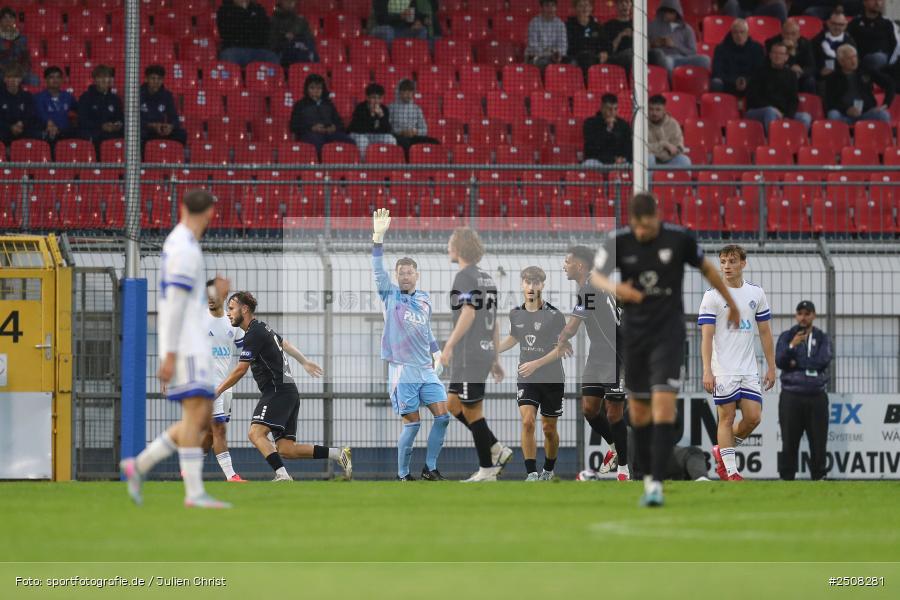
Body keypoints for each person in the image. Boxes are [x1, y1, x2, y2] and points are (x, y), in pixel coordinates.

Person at [592, 192, 741, 507]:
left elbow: (707, 269)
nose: (642, 233)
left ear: (656, 218)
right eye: (637, 228)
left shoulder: (679, 238)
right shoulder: (618, 240)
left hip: (668, 336)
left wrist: (730, 301)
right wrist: (617, 289)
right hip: (634, 338)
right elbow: (596, 276)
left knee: (662, 406)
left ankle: (656, 484)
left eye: (646, 227)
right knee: (641, 412)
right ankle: (647, 477)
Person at [120, 189, 231, 509]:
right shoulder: (184, 248)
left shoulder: (181, 243)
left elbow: (188, 298)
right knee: (198, 416)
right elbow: (175, 304)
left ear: (182, 207)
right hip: (186, 344)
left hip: (188, 341)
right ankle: (193, 493)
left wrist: (212, 290)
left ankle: (138, 466)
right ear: (210, 213)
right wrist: (169, 354)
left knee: (198, 415)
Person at [215, 291, 352, 481]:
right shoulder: (262, 328)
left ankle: (282, 475)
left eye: (231, 308)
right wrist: (304, 361)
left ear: (244, 309)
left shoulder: (254, 333)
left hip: (277, 391)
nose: (228, 313)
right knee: (287, 449)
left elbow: (241, 369)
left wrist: (218, 390)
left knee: (255, 433)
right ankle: (338, 454)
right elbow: (284, 343)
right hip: (288, 392)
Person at [371, 208, 450, 482]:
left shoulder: (425, 298)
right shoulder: (389, 294)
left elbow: (425, 329)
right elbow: (378, 271)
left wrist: (437, 351)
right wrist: (378, 239)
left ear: (416, 275)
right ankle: (403, 475)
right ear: (397, 276)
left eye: (409, 272)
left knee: (443, 417)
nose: (405, 276)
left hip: (426, 369)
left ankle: (430, 468)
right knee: (413, 424)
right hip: (403, 371)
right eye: (401, 272)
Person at [439, 227, 513, 482]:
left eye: (450, 244)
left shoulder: (464, 277)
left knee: (473, 412)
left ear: (459, 248)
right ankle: (496, 449)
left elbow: (469, 313)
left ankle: (487, 469)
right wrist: (495, 358)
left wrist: (447, 346)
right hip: (478, 354)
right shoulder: (487, 278)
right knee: (452, 404)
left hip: (469, 354)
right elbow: (494, 322)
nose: (448, 248)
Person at [698, 245, 776, 481]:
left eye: (732, 261)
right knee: (727, 418)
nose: (727, 266)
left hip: (749, 369)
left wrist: (771, 367)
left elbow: (765, 332)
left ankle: (722, 451)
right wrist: (707, 371)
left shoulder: (756, 293)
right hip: (723, 369)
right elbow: (707, 336)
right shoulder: (712, 296)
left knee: (754, 418)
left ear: (743, 263)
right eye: (723, 262)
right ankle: (731, 471)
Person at [558, 246, 629, 480]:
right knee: (589, 409)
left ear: (580, 265)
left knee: (614, 414)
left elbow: (571, 327)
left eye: (567, 261)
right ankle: (615, 448)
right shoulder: (598, 284)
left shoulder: (589, 287)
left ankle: (623, 471)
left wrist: (560, 340)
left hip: (615, 355)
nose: (564, 265)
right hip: (597, 355)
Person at [497, 266, 567, 481]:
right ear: (522, 284)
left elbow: (561, 349)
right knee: (528, 422)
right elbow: (514, 337)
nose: (531, 286)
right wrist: (491, 351)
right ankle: (532, 473)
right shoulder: (515, 313)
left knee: (548, 428)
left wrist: (536, 363)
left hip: (552, 377)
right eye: (528, 282)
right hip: (526, 377)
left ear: (542, 286)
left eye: (536, 283)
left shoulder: (555, 316)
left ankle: (548, 469)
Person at [775, 300, 832, 481]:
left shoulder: (822, 337)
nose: (803, 317)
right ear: (796, 315)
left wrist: (795, 363)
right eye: (800, 313)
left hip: (816, 396)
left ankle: (819, 476)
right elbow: (780, 360)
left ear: (813, 316)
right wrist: (792, 346)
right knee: (789, 440)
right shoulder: (787, 336)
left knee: (818, 441)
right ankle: (787, 477)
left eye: (807, 314)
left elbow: (823, 360)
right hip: (791, 395)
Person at [201, 277, 247, 482]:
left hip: (223, 385)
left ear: (224, 296)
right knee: (219, 428)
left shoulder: (233, 323)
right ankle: (231, 476)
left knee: (212, 433)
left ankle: (191, 466)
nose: (210, 299)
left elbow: (246, 350)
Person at [746, 42, 813, 133]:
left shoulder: (791, 75)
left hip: (782, 112)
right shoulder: (759, 72)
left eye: (781, 54)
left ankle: (795, 144)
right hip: (758, 110)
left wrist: (787, 117)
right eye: (774, 53)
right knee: (771, 111)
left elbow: (793, 100)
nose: (777, 56)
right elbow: (753, 97)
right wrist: (774, 109)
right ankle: (774, 143)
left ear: (786, 57)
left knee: (805, 117)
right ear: (770, 55)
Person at [824, 44, 894, 124]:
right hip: (844, 115)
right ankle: (842, 135)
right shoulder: (833, 77)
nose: (853, 61)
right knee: (832, 115)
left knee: (883, 115)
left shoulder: (865, 70)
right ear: (841, 61)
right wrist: (847, 110)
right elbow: (830, 102)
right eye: (849, 58)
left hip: (866, 114)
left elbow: (890, 83)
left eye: (855, 56)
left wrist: (886, 104)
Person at [289, 73, 354, 155]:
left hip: (330, 133)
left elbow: (339, 122)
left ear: (323, 90)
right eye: (312, 88)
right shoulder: (300, 105)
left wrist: (334, 127)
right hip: (310, 134)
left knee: (350, 142)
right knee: (318, 144)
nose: (315, 91)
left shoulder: (328, 104)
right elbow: (294, 125)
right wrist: (312, 128)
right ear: (307, 89)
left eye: (319, 88)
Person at [647, 0, 710, 73]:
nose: (666, 14)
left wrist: (675, 45)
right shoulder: (653, 26)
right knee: (667, 62)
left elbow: (692, 52)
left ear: (677, 13)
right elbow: (647, 48)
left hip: (683, 59)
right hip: (665, 58)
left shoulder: (687, 29)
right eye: (665, 11)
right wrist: (654, 44)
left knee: (705, 60)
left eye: (670, 12)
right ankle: (670, 83)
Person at [216, 0, 280, 66]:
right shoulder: (224, 10)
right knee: (228, 56)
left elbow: (264, 32)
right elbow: (226, 33)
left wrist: (243, 26)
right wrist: (246, 16)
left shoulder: (258, 9)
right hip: (234, 49)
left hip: (257, 49)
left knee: (272, 57)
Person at [711, 18, 766, 96]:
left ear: (747, 33)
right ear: (731, 33)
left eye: (742, 32)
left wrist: (746, 81)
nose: (739, 35)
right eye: (735, 32)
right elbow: (717, 72)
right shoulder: (721, 48)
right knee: (716, 82)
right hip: (728, 84)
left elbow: (759, 72)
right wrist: (734, 81)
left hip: (750, 84)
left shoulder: (757, 48)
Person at [389, 79, 438, 160]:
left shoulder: (417, 109)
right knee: (405, 143)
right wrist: (401, 132)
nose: (408, 94)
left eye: (410, 92)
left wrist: (416, 132)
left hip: (414, 137)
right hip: (398, 137)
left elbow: (424, 129)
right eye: (405, 91)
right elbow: (388, 128)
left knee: (434, 142)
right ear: (400, 93)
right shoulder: (391, 108)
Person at [139, 65, 187, 147]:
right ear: (146, 79)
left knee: (181, 134)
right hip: (144, 129)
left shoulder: (167, 95)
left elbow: (174, 118)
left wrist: (170, 127)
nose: (156, 82)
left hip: (160, 130)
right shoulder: (137, 94)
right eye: (153, 78)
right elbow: (132, 119)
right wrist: (151, 126)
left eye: (159, 79)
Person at [77, 65, 123, 149]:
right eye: (101, 77)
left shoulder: (115, 99)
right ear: (94, 80)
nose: (105, 80)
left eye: (107, 77)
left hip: (112, 133)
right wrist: (101, 126)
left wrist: (116, 125)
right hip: (93, 133)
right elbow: (82, 120)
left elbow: (120, 118)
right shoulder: (86, 97)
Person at [765, 19, 817, 93]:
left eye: (793, 34)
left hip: (799, 76)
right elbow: (769, 64)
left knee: (810, 81)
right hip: (779, 75)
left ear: (798, 35)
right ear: (782, 33)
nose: (789, 37)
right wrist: (791, 58)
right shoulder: (772, 43)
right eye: (786, 33)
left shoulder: (806, 44)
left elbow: (812, 67)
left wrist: (801, 72)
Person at [348, 83, 396, 160]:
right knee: (363, 141)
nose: (376, 101)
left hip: (375, 135)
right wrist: (372, 115)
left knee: (391, 139)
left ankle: (389, 163)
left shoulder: (384, 109)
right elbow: (359, 129)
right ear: (367, 97)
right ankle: (364, 166)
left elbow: (388, 130)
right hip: (359, 135)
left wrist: (381, 116)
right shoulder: (360, 108)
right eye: (373, 98)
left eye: (379, 98)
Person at [847, 0, 896, 73]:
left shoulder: (888, 23)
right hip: (860, 60)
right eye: (873, 0)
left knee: (879, 58)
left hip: (884, 60)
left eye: (880, 0)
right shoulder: (855, 23)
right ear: (864, 2)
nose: (877, 3)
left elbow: (894, 45)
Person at [582, 93, 631, 167]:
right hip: (597, 161)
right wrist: (608, 129)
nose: (612, 112)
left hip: (618, 163)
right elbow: (592, 148)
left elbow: (627, 146)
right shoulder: (590, 123)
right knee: (588, 164)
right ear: (602, 108)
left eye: (615, 109)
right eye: (609, 109)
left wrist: (622, 158)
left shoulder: (623, 125)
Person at [810, 8, 856, 84]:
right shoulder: (817, 40)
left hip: (844, 79)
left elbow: (855, 65)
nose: (837, 27)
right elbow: (810, 63)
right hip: (823, 80)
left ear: (845, 25)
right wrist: (820, 73)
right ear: (828, 23)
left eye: (841, 24)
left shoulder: (850, 42)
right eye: (834, 23)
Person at [34, 66, 77, 145]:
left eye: (58, 77)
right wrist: (50, 124)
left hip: (65, 133)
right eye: (51, 77)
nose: (55, 80)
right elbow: (41, 114)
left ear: (61, 80)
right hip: (46, 132)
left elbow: (79, 110)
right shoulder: (39, 98)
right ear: (45, 80)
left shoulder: (68, 96)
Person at [566, 0, 611, 74]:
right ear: (575, 8)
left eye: (587, 5)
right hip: (575, 58)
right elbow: (568, 46)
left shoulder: (598, 27)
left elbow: (606, 44)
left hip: (594, 58)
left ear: (591, 8)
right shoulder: (569, 26)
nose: (584, 8)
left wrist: (605, 52)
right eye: (581, 6)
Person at [269, 0, 318, 66]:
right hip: (281, 55)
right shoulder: (273, 21)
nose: (291, 3)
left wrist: (295, 38)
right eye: (288, 1)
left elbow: (310, 39)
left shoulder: (301, 21)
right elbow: (272, 43)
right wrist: (285, 37)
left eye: (292, 1)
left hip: (301, 54)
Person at [647, 94, 691, 169]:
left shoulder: (673, 124)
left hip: (669, 160)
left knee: (684, 160)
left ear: (664, 110)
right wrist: (664, 145)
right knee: (649, 158)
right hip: (651, 160)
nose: (654, 113)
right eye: (651, 109)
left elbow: (678, 148)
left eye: (658, 110)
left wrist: (659, 151)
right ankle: (649, 181)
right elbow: (643, 148)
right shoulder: (642, 124)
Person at [0, 64, 39, 146]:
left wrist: (21, 123)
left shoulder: (27, 96)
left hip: (23, 129)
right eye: (9, 77)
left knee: (35, 132)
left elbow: (31, 114)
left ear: (20, 79)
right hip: (4, 131)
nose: (12, 80)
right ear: (4, 79)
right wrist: (10, 127)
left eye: (15, 77)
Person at [526, 0, 568, 68]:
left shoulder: (560, 24)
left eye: (553, 6)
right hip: (538, 57)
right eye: (547, 6)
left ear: (556, 8)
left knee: (572, 63)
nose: (550, 9)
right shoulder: (534, 23)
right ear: (542, 8)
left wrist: (557, 54)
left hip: (557, 57)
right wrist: (549, 53)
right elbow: (533, 47)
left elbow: (563, 47)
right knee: (545, 64)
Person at [0, 7, 35, 86]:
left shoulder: (22, 38)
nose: (8, 20)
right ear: (0, 21)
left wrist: (22, 70)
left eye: (11, 17)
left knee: (33, 80)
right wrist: (6, 70)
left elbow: (26, 56)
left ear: (14, 20)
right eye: (4, 17)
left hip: (18, 70)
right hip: (2, 71)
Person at [604, 0, 634, 72]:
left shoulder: (637, 24)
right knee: (629, 54)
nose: (624, 5)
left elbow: (647, 47)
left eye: (627, 2)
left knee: (656, 54)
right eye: (621, 2)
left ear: (631, 5)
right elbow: (610, 51)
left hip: (637, 55)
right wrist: (621, 35)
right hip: (617, 57)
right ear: (616, 6)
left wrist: (636, 36)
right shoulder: (609, 25)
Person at [723, 0, 788, 22]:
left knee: (780, 5)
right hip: (739, 10)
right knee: (731, 3)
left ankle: (783, 35)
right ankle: (735, 31)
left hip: (757, 11)